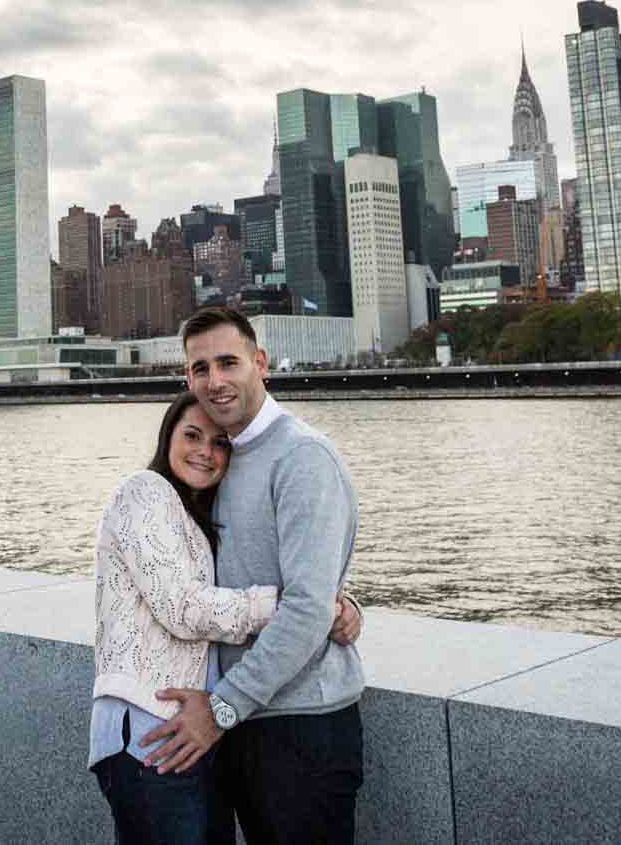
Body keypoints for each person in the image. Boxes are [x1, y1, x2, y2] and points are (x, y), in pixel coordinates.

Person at [91, 392, 361, 845]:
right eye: (192, 435)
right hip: (149, 731)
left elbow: (262, 574)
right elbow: (184, 608)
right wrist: (299, 604)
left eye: (220, 443)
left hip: (198, 732)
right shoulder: (144, 491)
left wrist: (337, 603)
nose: (205, 451)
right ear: (167, 438)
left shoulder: (198, 513)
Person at [140, 306, 365, 844]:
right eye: (200, 369)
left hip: (301, 728)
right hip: (243, 723)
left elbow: (308, 606)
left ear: (260, 363)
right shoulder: (219, 458)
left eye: (228, 362)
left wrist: (220, 710)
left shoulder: (302, 457)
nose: (214, 381)